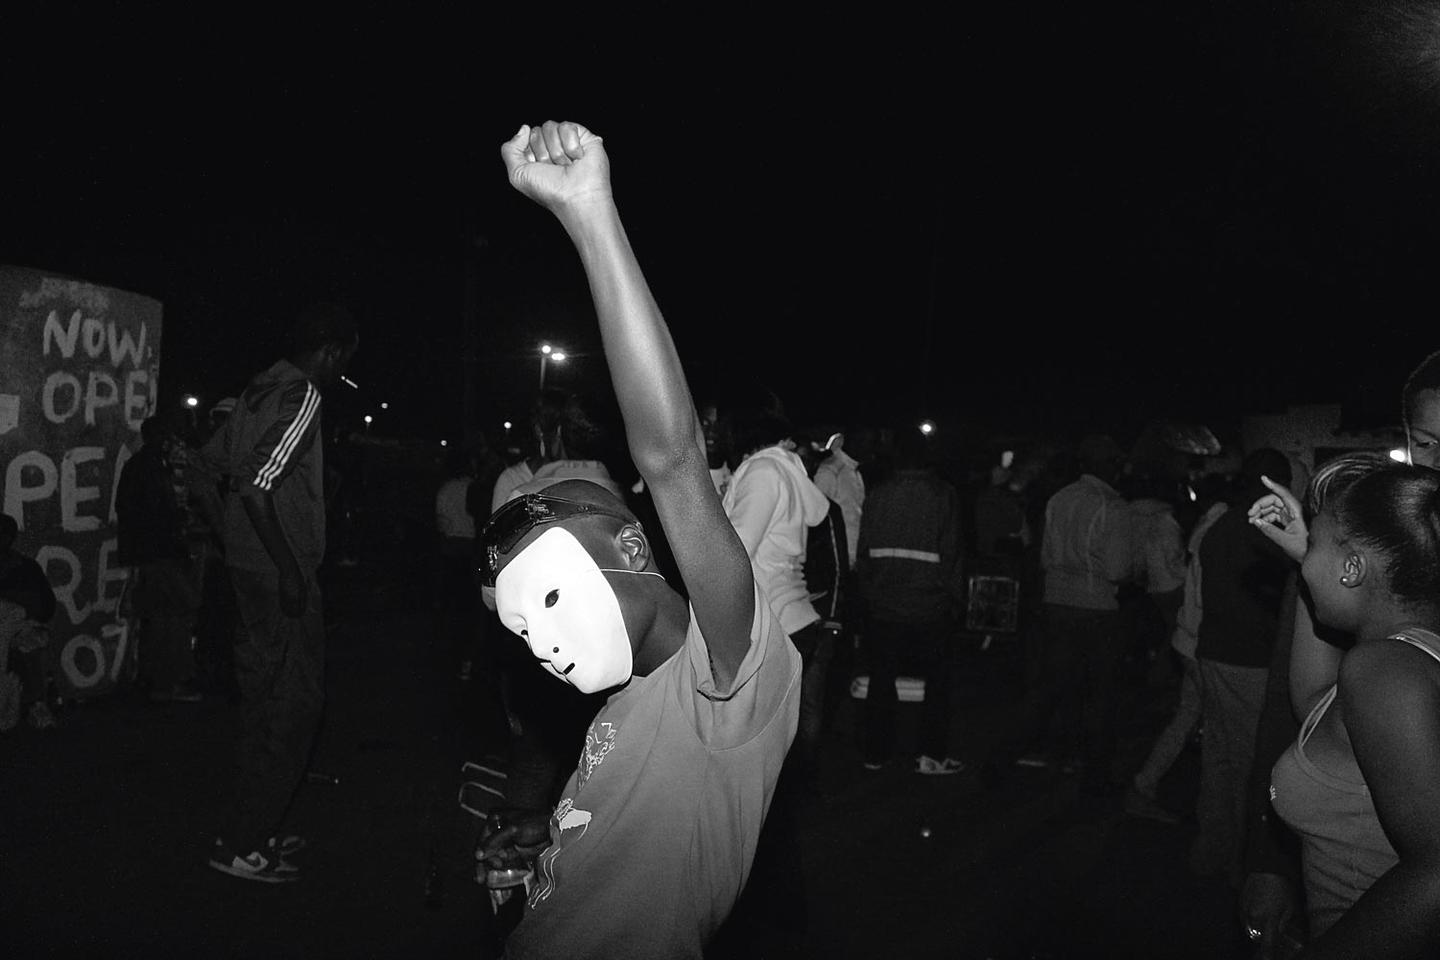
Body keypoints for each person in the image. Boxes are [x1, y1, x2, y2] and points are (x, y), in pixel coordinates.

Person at [475, 120, 801, 960]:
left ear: (630, 550)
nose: (543, 645)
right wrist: (552, 845)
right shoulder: (626, 700)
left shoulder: (726, 680)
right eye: (522, 631)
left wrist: (590, 214)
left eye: (550, 598)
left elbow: (672, 458)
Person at [1248, 454, 1440, 958]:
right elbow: (1312, 705)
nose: (1306, 560)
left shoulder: (1383, 670)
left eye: (1314, 544)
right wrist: (1308, 555)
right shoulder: (1407, 657)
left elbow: (1435, 871)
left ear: (1352, 568)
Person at [200, 301, 358, 883]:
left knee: (263, 700)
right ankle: (244, 843)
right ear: (330, 352)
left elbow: (207, 464)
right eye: (344, 359)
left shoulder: (255, 390)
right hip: (278, 576)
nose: (342, 371)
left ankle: (250, 827)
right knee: (293, 709)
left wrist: (230, 539)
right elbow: (255, 483)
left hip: (247, 569)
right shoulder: (303, 394)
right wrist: (289, 570)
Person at [1189, 448, 1294, 887]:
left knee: (1218, 756)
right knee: (1252, 764)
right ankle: (1241, 862)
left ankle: (1210, 849)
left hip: (1212, 651)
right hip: (1248, 658)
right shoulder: (1262, 527)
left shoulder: (1221, 525)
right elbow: (1269, 605)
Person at [854, 422, 966, 774]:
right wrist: (956, 601)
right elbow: (953, 554)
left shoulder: (878, 494)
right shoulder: (943, 495)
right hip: (930, 607)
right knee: (936, 683)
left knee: (882, 679)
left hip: (884, 606)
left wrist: (868, 596)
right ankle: (930, 755)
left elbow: (864, 552)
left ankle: (876, 753)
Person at [1125, 473, 1231, 824]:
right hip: (1200, 639)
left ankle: (1145, 784)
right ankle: (1215, 820)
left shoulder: (1198, 526)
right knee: (1220, 730)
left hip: (1187, 634)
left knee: (1187, 717)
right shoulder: (1217, 529)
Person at [115, 414, 203, 703]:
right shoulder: (150, 468)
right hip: (160, 553)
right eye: (167, 436)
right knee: (174, 615)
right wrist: (177, 534)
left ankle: (155, 680)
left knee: (159, 617)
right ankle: (172, 680)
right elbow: (156, 515)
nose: (171, 442)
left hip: (151, 553)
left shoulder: (142, 465)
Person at [0, 513, 58, 731]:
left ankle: (35, 706)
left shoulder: (26, 567)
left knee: (29, 644)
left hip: (20, 629)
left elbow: (45, 608)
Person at [813, 427, 865, 570]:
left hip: (852, 557)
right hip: (836, 559)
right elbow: (817, 516)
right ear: (852, 441)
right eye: (866, 441)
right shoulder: (830, 470)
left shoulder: (854, 471)